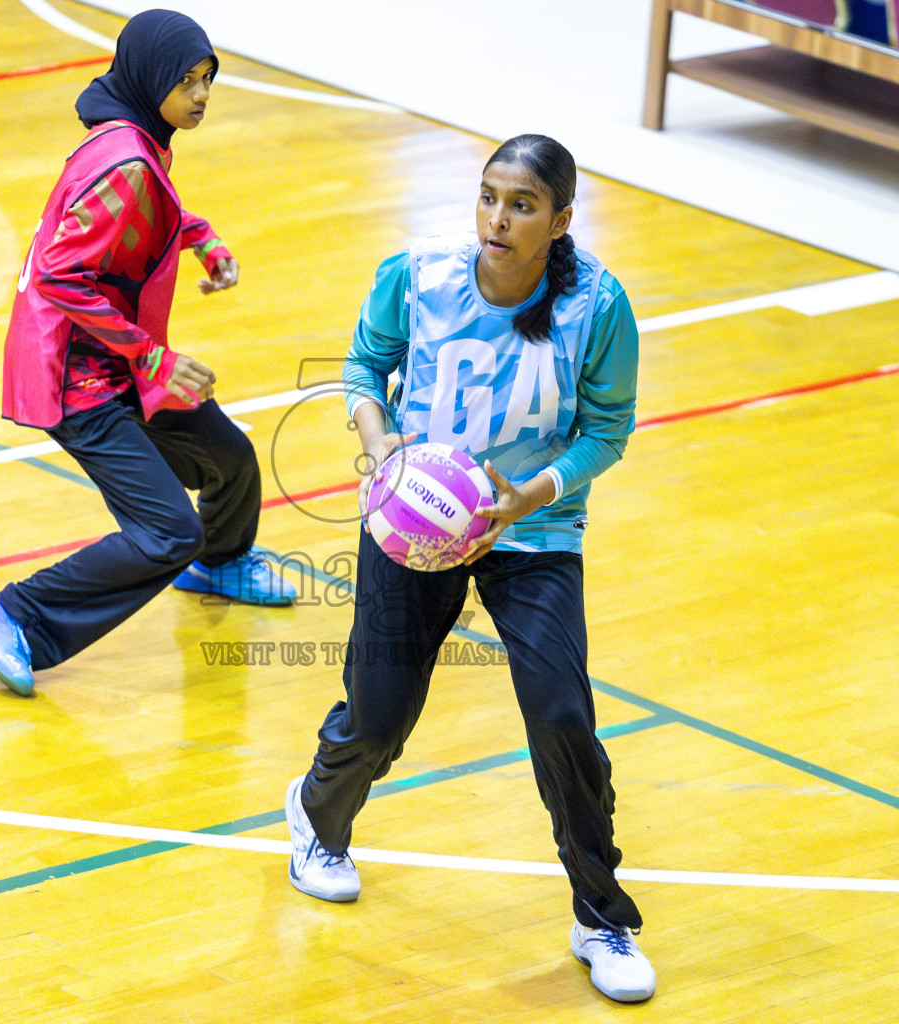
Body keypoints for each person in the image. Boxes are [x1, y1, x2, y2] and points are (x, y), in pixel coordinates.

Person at [283, 135, 655, 1003]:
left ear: (559, 221)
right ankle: (316, 815)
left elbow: (610, 428)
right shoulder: (418, 275)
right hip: (417, 518)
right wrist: (379, 447)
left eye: (522, 205)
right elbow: (365, 365)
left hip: (534, 529)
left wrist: (531, 495)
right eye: (489, 196)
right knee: (378, 719)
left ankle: (603, 919)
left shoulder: (598, 306)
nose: (498, 217)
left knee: (563, 714)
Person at [0, 9, 294, 698]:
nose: (200, 96)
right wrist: (154, 360)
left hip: (117, 362)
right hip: (83, 379)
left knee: (228, 459)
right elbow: (58, 273)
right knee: (166, 532)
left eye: (208, 80)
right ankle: (9, 613)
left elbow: (153, 215)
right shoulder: (128, 161)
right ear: (150, 78)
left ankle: (223, 563)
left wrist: (203, 237)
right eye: (186, 81)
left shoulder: (133, 137)